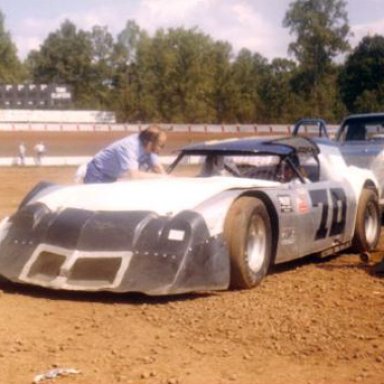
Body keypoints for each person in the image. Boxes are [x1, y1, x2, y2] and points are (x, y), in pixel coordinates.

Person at [83, 125, 167, 183]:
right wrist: (161, 177)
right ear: (149, 142)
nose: (159, 150)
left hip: (112, 175)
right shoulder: (129, 147)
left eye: (162, 146)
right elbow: (134, 175)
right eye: (159, 146)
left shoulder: (150, 147)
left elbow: (157, 167)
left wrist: (167, 178)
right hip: (97, 173)